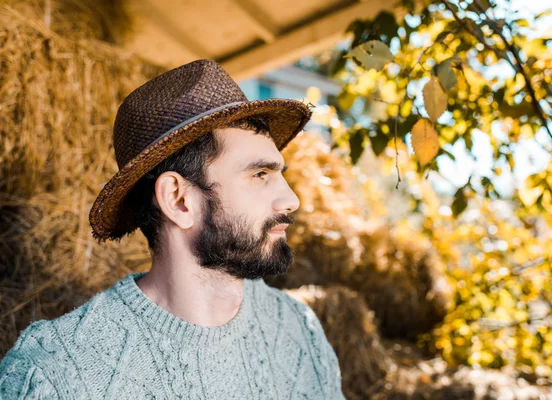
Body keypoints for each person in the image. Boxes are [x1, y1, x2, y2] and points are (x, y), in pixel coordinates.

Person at [0, 59, 344, 399]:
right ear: (179, 200)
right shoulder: (55, 376)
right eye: (260, 175)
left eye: (279, 174)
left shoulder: (300, 329)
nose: (291, 200)